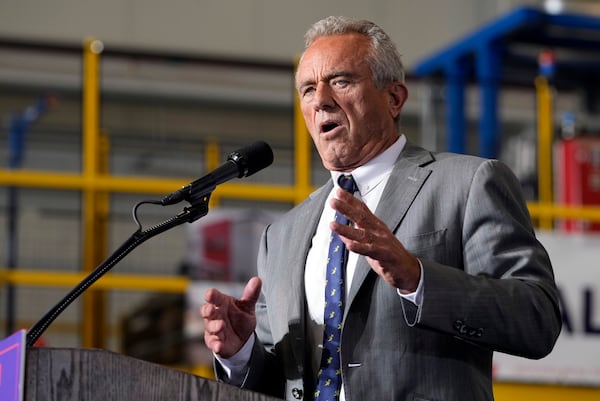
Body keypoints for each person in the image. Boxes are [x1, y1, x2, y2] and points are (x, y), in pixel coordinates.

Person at [201, 16, 561, 401]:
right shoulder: (282, 235)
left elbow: (536, 318)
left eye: (340, 81)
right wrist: (240, 355)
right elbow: (283, 382)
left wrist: (417, 278)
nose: (321, 100)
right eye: (308, 89)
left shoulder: (468, 183)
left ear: (393, 99)